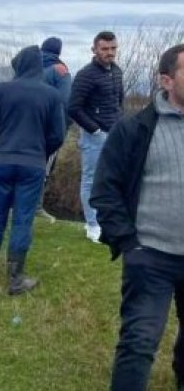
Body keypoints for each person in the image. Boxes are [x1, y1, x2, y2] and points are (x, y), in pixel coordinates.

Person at [91, 44, 184, 391]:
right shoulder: (136, 129)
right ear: (166, 80)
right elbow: (105, 190)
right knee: (139, 343)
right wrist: (130, 244)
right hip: (152, 258)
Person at [0, 46, 65, 295]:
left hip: (2, 161)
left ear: (19, 65)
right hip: (33, 164)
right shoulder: (51, 95)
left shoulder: (2, 91)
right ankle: (16, 279)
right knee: (23, 219)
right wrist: (41, 152)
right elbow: (57, 135)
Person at [68, 30, 124, 243]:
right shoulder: (86, 74)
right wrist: (94, 130)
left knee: (111, 179)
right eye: (105, 49)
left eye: (113, 48)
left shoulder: (117, 71)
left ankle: (107, 221)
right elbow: (73, 108)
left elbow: (119, 103)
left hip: (115, 134)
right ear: (94, 50)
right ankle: (92, 224)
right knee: (90, 179)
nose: (109, 53)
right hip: (94, 137)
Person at [37, 36, 73, 223]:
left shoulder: (28, 67)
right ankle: (35, 206)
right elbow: (65, 102)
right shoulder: (60, 71)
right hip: (48, 129)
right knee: (44, 167)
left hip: (23, 127)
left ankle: (15, 204)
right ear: (59, 52)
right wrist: (63, 128)